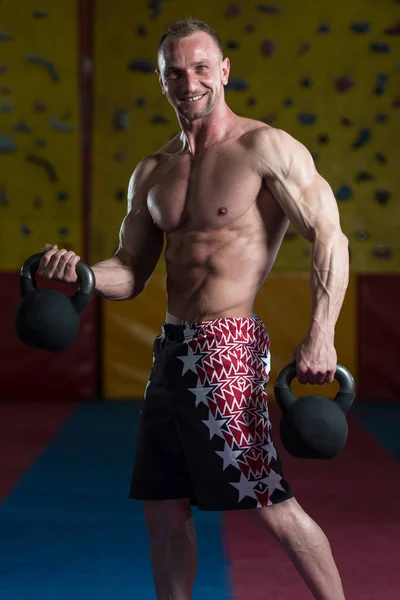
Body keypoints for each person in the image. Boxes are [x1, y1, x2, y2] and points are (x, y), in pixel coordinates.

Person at [38, 19, 349, 600]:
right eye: (175, 72)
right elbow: (129, 272)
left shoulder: (265, 148)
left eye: (202, 68)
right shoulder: (152, 171)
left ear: (224, 71)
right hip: (171, 353)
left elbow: (331, 237)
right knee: (163, 509)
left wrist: (322, 333)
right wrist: (78, 274)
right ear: (161, 82)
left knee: (268, 503)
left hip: (229, 351)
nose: (190, 82)